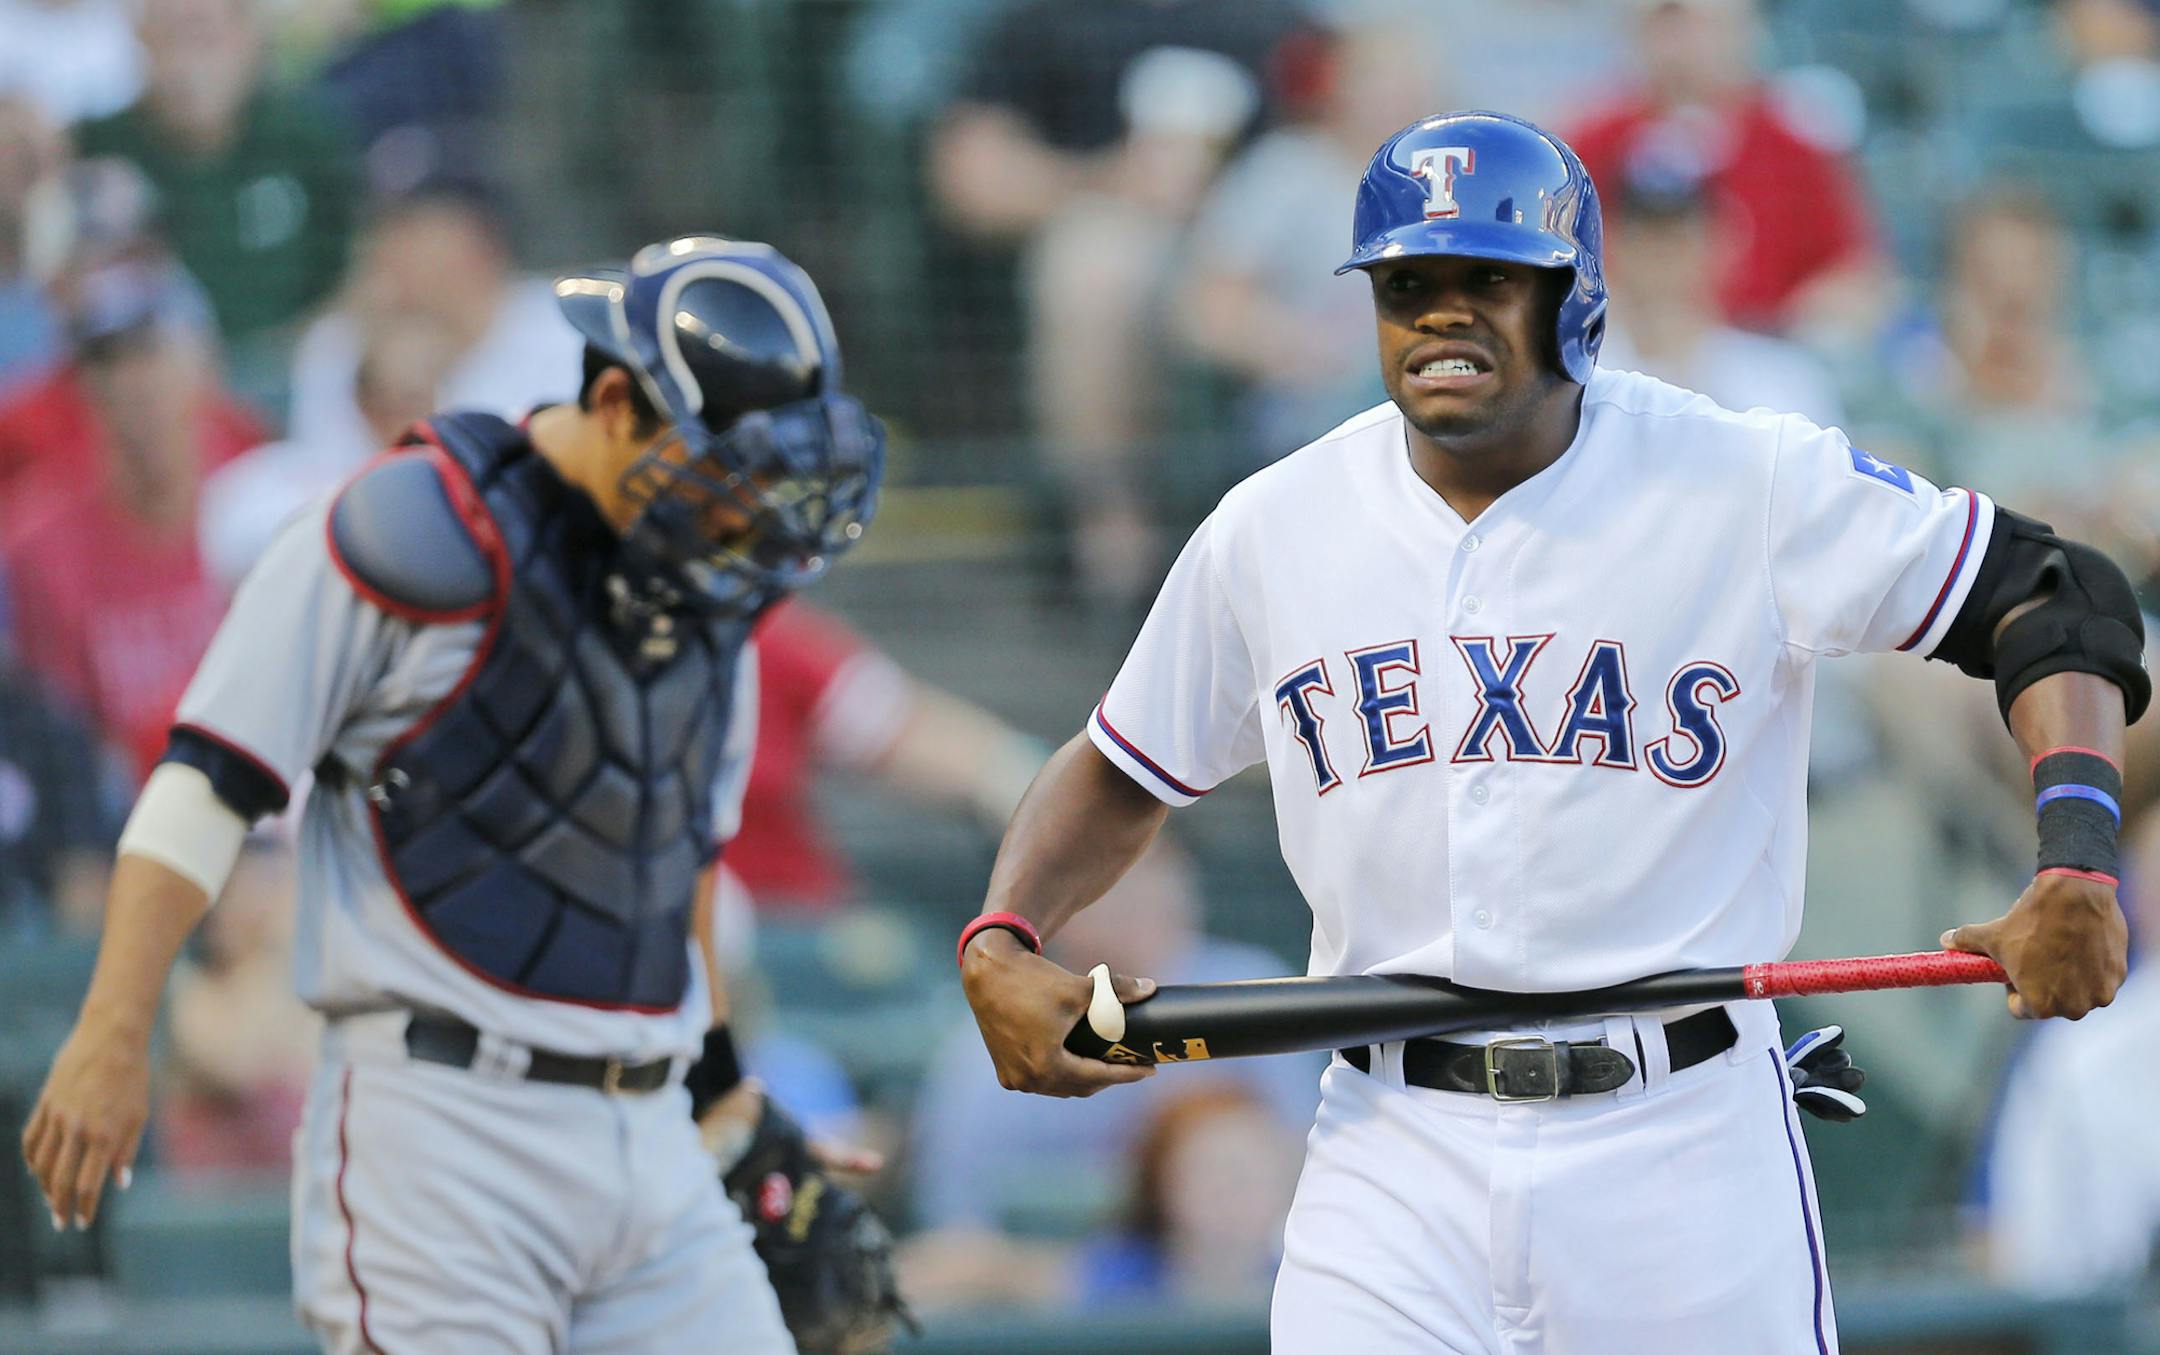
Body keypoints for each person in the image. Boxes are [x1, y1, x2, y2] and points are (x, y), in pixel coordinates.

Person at [956, 111, 2147, 1354]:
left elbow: (2056, 596)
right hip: (1393, 1153)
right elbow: (1119, 764)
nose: (1441, 315)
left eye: (1489, 280)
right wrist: (1004, 928)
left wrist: (2075, 848)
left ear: (1575, 298)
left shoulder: (1740, 478)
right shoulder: (1275, 524)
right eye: (1409, 283)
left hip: (1680, 1144)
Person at [20, 236, 893, 1354]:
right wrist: (112, 1027)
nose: (747, 513)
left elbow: (679, 866)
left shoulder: (706, 597)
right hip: (442, 1132)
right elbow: (206, 781)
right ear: (618, 400)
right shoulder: (409, 531)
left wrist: (723, 1095)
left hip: (652, 1135)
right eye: (725, 471)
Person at [1567, 0, 1881, 339]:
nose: (1680, 47)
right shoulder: (1591, 142)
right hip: (1622, 345)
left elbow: (1855, 274)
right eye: (1664, 29)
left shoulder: (1797, 148)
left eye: (1698, 28)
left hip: (1759, 350)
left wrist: (1791, 327)